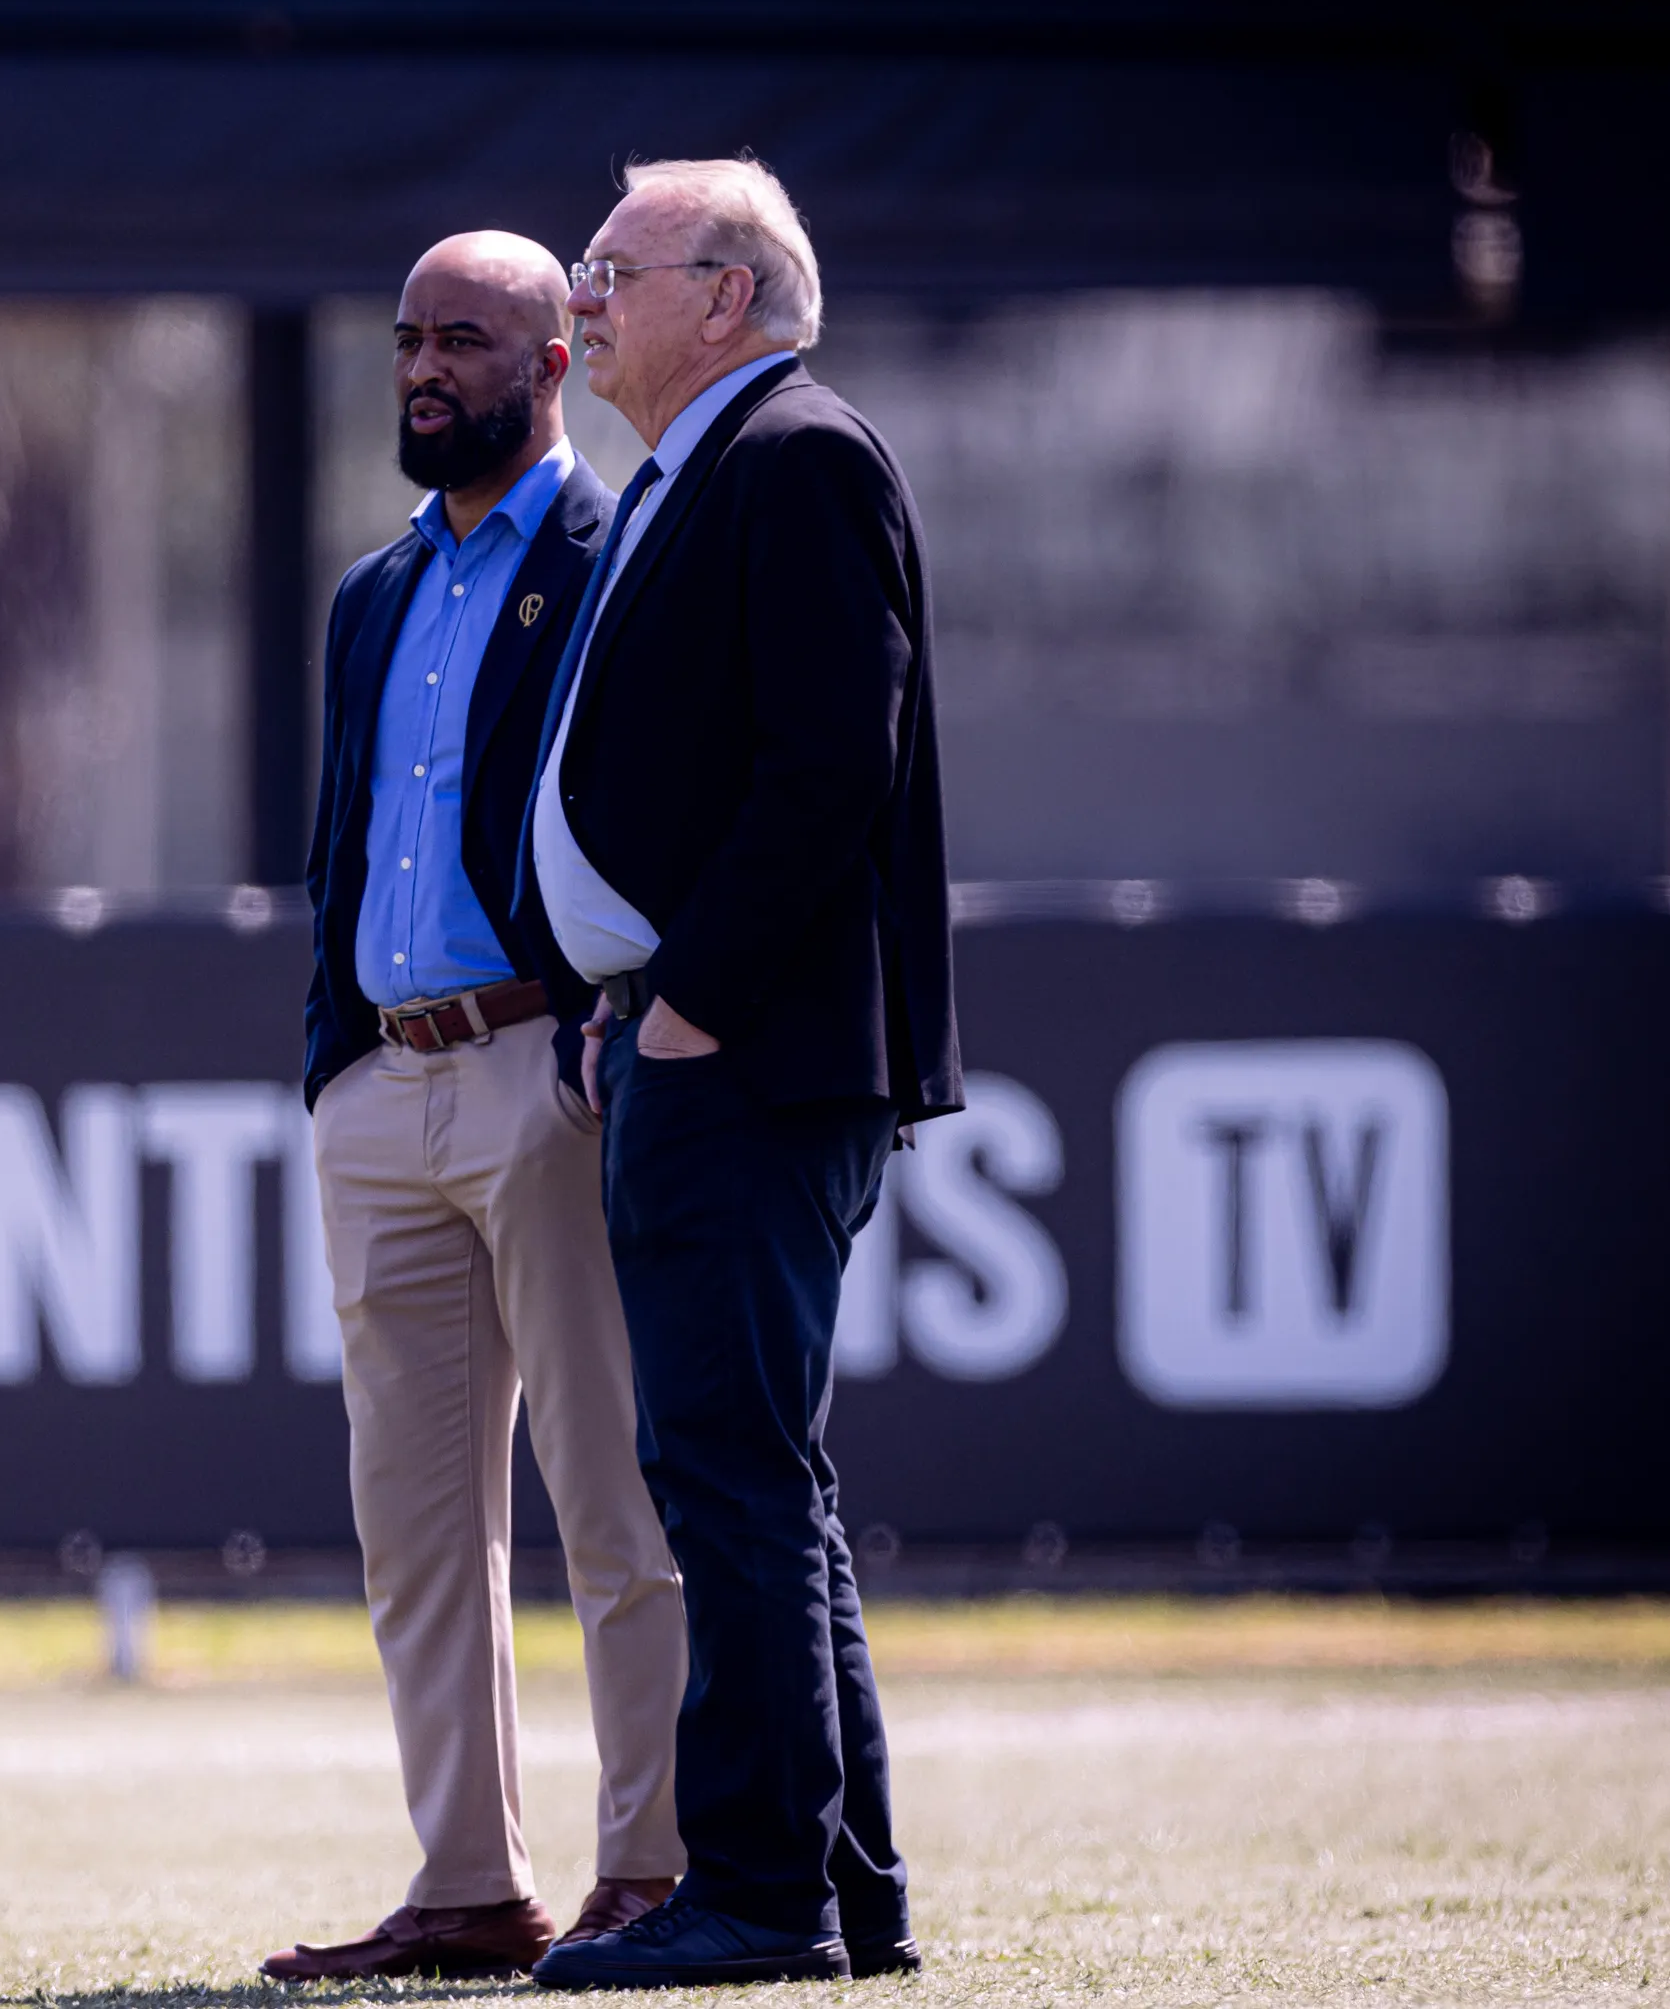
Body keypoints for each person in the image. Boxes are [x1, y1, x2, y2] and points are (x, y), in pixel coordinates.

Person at [519, 160, 961, 1990]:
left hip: (749, 1056)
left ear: (727, 294)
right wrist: (629, 994)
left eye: (612, 268)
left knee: (727, 1473)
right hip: (691, 1041)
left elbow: (832, 759)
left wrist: (688, 997)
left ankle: (761, 1892)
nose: (584, 297)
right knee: (762, 1469)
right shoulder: (697, 470)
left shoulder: (796, 453)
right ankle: (849, 1892)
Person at [267, 232, 689, 1983]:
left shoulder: (616, 553)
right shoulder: (372, 593)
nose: (424, 368)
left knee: (612, 1503)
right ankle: (466, 1883)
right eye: (406, 339)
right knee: (417, 1532)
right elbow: (340, 846)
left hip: (541, 1073)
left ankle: (653, 1868)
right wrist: (336, 1067)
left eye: (463, 338)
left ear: (553, 364)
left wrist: (603, 1036)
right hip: (386, 1085)